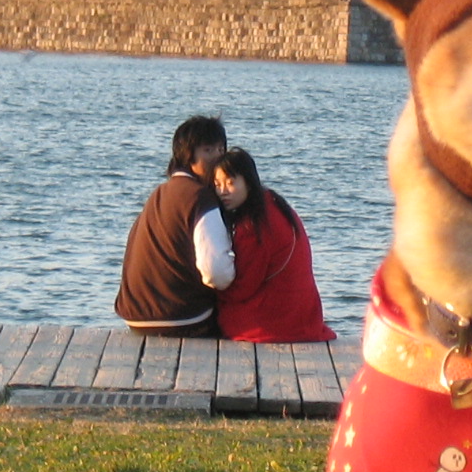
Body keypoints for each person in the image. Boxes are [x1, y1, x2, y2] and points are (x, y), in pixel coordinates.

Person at [115, 115, 235, 337]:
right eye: (208, 151)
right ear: (187, 155)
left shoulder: (159, 193)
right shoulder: (200, 198)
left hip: (135, 317)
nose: (218, 158)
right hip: (182, 318)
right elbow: (217, 273)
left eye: (221, 150)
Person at [210, 148, 336, 342]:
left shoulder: (254, 225)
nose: (222, 191)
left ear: (248, 182)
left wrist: (209, 291)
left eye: (230, 182)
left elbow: (243, 287)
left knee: (213, 315)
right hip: (305, 314)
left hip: (277, 320)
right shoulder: (274, 204)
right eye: (217, 184)